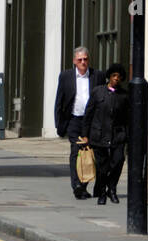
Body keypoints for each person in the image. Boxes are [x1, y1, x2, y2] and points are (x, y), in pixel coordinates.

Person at [54, 47, 101, 199]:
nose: (83, 62)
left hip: (91, 121)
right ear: (74, 61)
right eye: (79, 60)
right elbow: (59, 101)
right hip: (73, 120)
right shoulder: (66, 76)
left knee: (88, 152)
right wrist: (59, 124)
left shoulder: (97, 76)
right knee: (77, 151)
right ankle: (77, 185)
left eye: (85, 59)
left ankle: (83, 185)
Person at [80, 64, 129, 206]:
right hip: (99, 135)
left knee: (118, 161)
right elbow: (88, 114)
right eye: (114, 76)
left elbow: (127, 118)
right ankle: (102, 192)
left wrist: (128, 136)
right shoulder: (98, 92)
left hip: (117, 135)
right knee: (102, 167)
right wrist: (85, 134)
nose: (116, 79)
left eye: (119, 77)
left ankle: (111, 188)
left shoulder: (124, 96)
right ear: (109, 77)